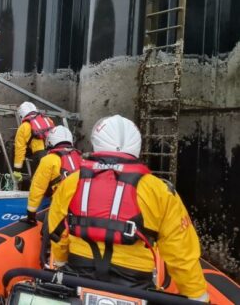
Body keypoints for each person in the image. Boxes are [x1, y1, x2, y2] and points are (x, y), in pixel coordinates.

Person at [47, 115, 208, 302]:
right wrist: (198, 296)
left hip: (77, 276)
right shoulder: (160, 191)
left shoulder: (71, 183)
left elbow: (58, 233)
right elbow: (182, 255)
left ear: (96, 144)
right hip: (135, 286)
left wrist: (60, 263)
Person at [25, 125, 81, 267]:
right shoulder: (81, 157)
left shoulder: (49, 160)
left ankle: (49, 264)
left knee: (49, 233)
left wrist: (31, 213)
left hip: (61, 207)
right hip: (82, 208)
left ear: (50, 142)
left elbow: (37, 187)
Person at [12, 102, 55, 189]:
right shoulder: (49, 120)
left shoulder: (24, 127)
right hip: (54, 155)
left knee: (37, 186)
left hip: (39, 157)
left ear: (21, 115)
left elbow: (19, 150)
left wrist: (17, 170)